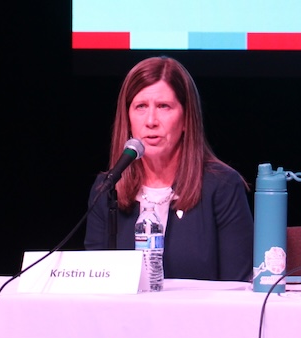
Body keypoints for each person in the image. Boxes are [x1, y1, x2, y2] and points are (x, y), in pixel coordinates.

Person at [84, 56, 253, 281]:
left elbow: (237, 287)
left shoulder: (222, 186)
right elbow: (94, 283)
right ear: (128, 118)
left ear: (186, 119)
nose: (151, 120)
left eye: (164, 106)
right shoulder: (107, 188)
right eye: (141, 106)